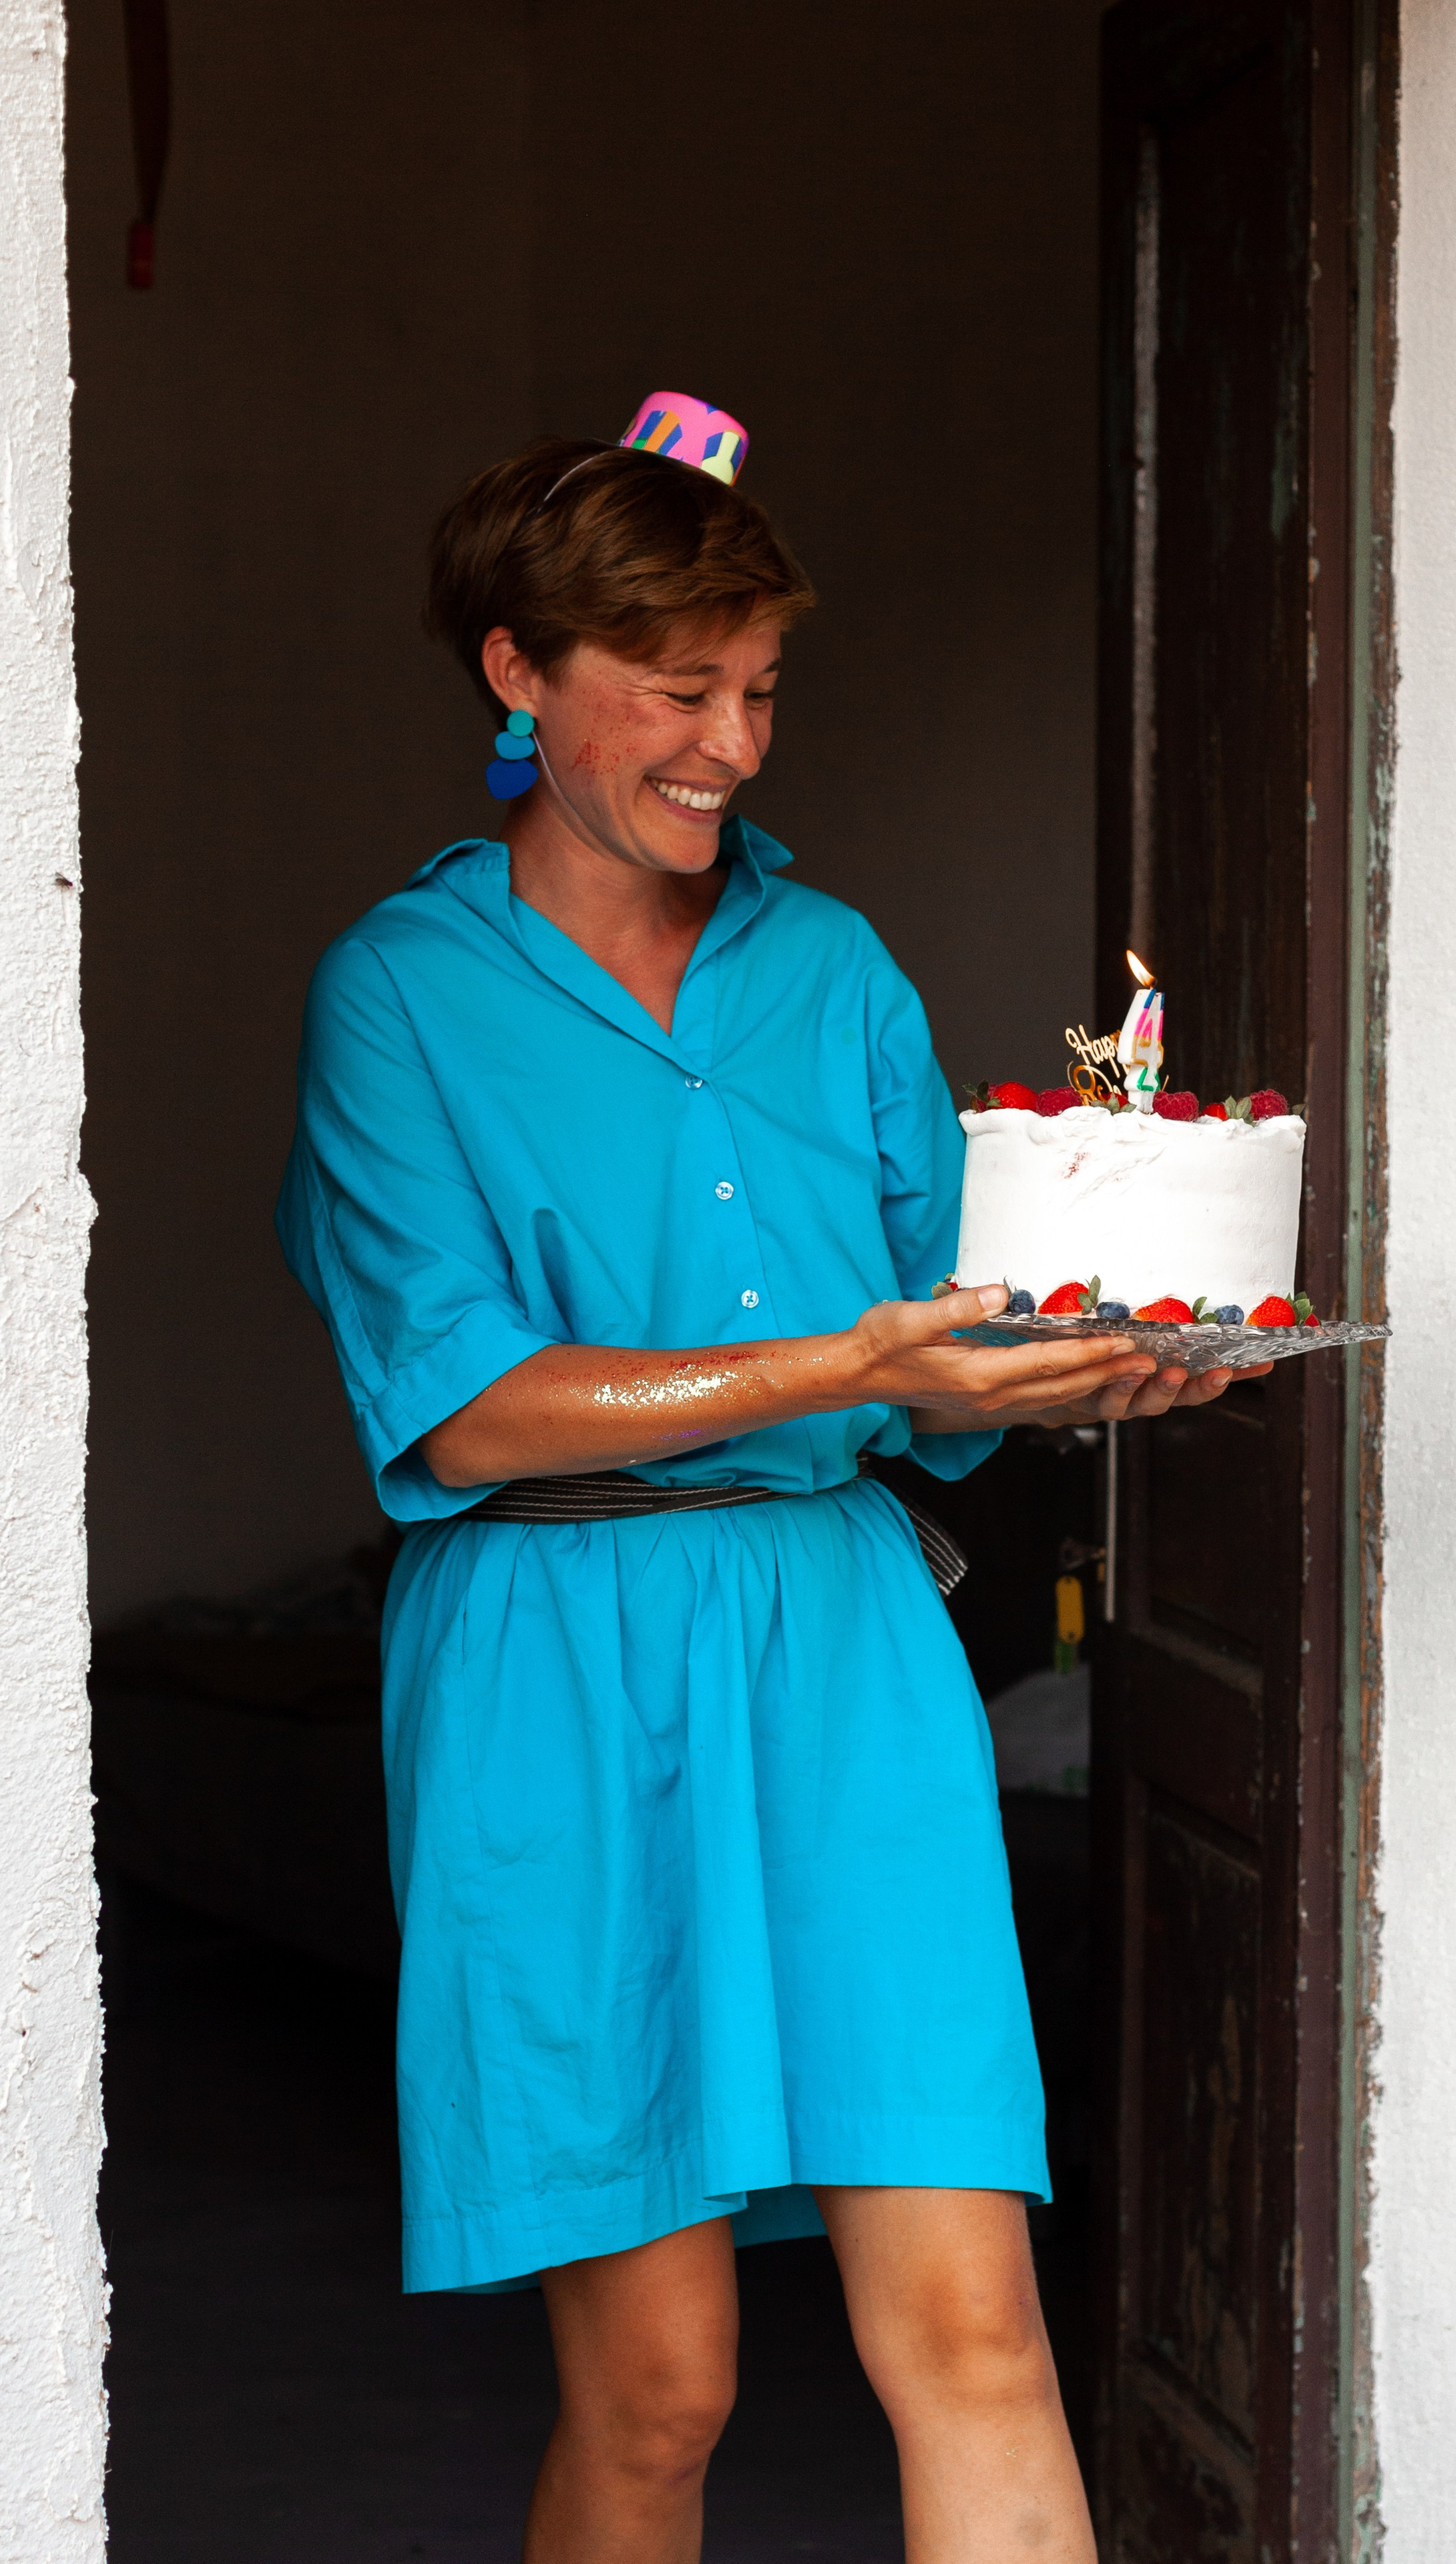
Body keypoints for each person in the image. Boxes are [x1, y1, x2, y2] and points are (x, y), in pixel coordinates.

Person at [276, 394, 1245, 2564]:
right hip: (550, 1660)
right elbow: (465, 1412)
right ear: (519, 673)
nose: (732, 744)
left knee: (978, 2337)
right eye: (678, 688)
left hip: (842, 1640)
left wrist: (1088, 1377)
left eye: (763, 690)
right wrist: (847, 1358)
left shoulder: (835, 968)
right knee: (661, 2393)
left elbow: (936, 1354)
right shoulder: (401, 996)